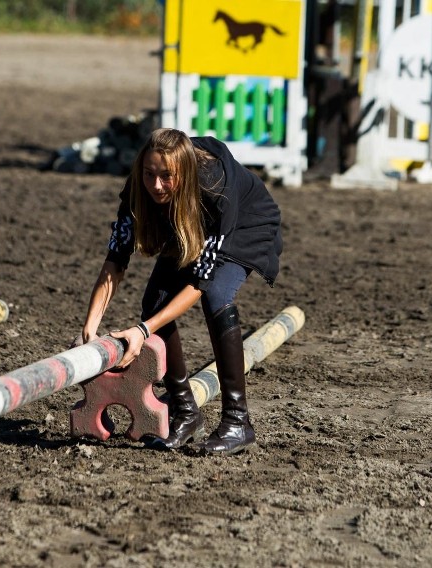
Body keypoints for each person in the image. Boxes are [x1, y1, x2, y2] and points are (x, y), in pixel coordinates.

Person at [75, 128, 282, 456]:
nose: (156, 185)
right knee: (153, 301)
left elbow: (199, 283)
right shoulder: (138, 191)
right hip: (186, 219)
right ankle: (186, 414)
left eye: (166, 176)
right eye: (149, 174)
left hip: (246, 224)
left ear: (183, 172)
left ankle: (238, 422)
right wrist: (90, 324)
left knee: (216, 294)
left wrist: (144, 330)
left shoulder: (216, 191)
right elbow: (116, 259)